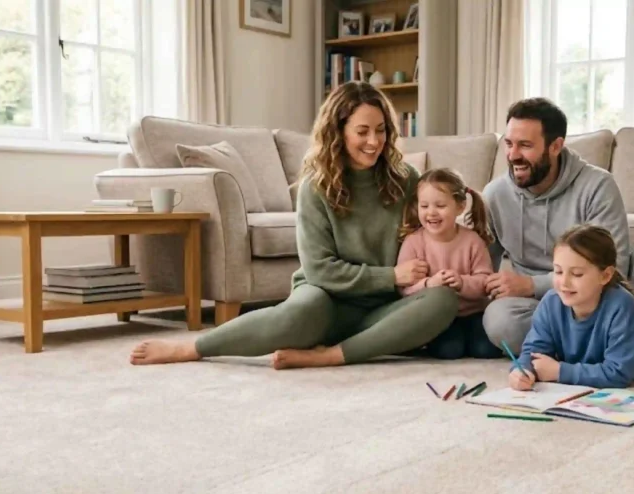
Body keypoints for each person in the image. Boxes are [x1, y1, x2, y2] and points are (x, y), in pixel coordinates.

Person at [129, 82, 458, 368]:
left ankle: (330, 355)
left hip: (387, 305)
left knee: (441, 301)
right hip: (326, 300)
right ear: (338, 131)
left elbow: (437, 227)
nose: (374, 141)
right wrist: (390, 275)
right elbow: (319, 270)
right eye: (362, 131)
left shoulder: (407, 180)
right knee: (297, 314)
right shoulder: (316, 187)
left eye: (382, 129)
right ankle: (192, 347)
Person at [481, 97, 634, 391]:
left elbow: (616, 268)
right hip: (550, 309)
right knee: (499, 319)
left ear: (555, 146)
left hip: (613, 292)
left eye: (525, 145)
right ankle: (600, 350)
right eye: (508, 144)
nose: (513, 155)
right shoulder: (494, 194)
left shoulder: (597, 185)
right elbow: (482, 267)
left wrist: (530, 283)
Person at [507, 224, 634, 391]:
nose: (564, 283)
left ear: (605, 275)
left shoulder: (622, 306)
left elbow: (619, 373)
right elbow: (533, 351)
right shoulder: (551, 302)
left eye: (577, 274)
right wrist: (522, 370)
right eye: (558, 272)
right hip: (616, 341)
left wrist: (560, 371)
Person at [397, 168, 501, 359]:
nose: (431, 213)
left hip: (473, 313)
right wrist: (429, 284)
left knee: (486, 350)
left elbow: (486, 281)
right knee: (449, 350)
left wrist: (462, 282)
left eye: (440, 205)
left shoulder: (472, 241)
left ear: (460, 207)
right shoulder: (413, 242)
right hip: (439, 318)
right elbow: (404, 289)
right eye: (424, 206)